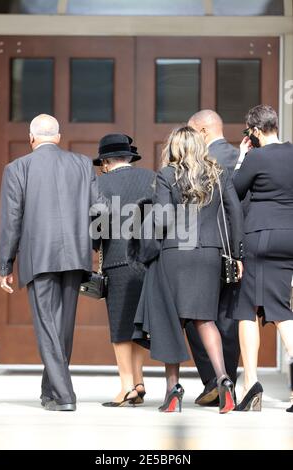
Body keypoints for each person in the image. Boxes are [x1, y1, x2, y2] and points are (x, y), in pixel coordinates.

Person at [0, 114, 106, 411]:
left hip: (39, 255)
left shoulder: (17, 168)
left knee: (48, 326)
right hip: (75, 254)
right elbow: (99, 209)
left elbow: (11, 221)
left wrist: (5, 266)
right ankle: (51, 393)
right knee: (62, 327)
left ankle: (65, 396)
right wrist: (93, 247)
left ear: (31, 138)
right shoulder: (83, 164)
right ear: (57, 137)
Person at [133, 126, 244, 414]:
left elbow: (161, 218)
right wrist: (237, 254)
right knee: (205, 320)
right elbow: (234, 213)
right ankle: (223, 379)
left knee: (172, 322)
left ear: (174, 147)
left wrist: (148, 249)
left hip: (174, 254)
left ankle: (173, 391)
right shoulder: (218, 174)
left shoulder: (167, 175)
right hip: (209, 254)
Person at [232, 104, 293, 413]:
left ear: (254, 131)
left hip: (260, 237)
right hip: (289, 237)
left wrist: (242, 158)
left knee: (247, 309)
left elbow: (234, 190)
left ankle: (250, 384)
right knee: (279, 306)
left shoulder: (256, 156)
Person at [92, 133, 155, 407]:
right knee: (139, 324)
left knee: (119, 325)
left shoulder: (99, 183)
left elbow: (98, 223)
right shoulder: (152, 178)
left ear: (105, 161)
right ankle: (139, 382)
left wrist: (95, 244)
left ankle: (126, 386)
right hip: (148, 261)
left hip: (118, 261)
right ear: (129, 157)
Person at [186, 110, 241, 406]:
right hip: (236, 250)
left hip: (204, 247)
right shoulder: (240, 157)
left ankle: (213, 379)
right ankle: (227, 378)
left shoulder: (204, 163)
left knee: (196, 315)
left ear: (203, 130)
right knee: (229, 317)